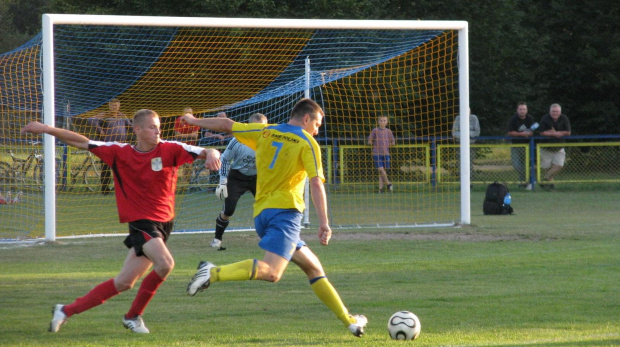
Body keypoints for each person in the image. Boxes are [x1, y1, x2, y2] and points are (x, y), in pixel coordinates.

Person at [21, 109, 221, 334]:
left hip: (164, 224)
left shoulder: (171, 148)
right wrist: (47, 129)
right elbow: (82, 142)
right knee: (165, 264)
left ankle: (65, 310)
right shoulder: (119, 152)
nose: (158, 131)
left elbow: (206, 150)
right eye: (152, 127)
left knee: (124, 283)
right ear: (137, 130)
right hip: (141, 222)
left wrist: (212, 153)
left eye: (158, 127)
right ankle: (133, 317)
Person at [181, 98, 368, 337]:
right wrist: (324, 223)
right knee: (272, 272)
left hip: (262, 214)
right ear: (307, 118)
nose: (317, 130)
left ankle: (349, 321)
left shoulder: (265, 131)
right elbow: (315, 183)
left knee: (313, 268)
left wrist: (195, 120)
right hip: (285, 214)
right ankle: (211, 272)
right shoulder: (307, 142)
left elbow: (227, 125)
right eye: (318, 124)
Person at [210, 113, 268, 250]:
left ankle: (270, 238)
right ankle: (217, 239)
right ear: (248, 127)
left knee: (267, 208)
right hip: (237, 176)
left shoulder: (269, 140)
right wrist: (223, 181)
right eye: (255, 128)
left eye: (262, 128)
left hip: (258, 177)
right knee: (228, 210)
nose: (258, 131)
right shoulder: (238, 140)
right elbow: (224, 159)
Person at [90, 99, 132, 195]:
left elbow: (130, 125)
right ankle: (105, 189)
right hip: (107, 145)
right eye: (113, 106)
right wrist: (100, 130)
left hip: (120, 145)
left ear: (119, 106)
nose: (114, 107)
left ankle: (121, 188)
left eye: (116, 106)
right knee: (105, 167)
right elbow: (91, 119)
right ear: (109, 106)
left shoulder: (122, 115)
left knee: (120, 167)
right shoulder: (104, 115)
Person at [538, 103, 571, 188]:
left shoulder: (564, 118)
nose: (555, 113)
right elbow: (542, 132)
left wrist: (557, 133)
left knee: (559, 164)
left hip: (559, 147)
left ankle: (544, 179)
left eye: (557, 111)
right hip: (546, 148)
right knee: (547, 168)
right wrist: (553, 134)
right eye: (553, 111)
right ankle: (550, 185)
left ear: (560, 112)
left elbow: (568, 132)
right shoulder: (545, 118)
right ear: (550, 111)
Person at [506, 102, 538, 190]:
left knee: (526, 165)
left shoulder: (530, 119)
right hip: (516, 145)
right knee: (516, 165)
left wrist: (529, 133)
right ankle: (529, 180)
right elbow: (510, 132)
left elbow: (533, 130)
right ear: (517, 110)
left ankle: (524, 183)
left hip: (527, 146)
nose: (522, 111)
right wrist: (522, 134)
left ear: (526, 110)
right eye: (520, 109)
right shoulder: (513, 119)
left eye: (524, 109)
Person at [368, 115, 395, 193]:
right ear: (378, 122)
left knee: (382, 172)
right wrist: (370, 141)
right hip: (377, 153)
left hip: (386, 153)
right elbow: (370, 140)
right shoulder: (375, 130)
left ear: (387, 122)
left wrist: (389, 144)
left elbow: (393, 141)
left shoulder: (388, 131)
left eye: (384, 120)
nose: (382, 122)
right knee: (380, 169)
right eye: (381, 120)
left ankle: (380, 190)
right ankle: (389, 184)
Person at [452, 108, 481, 179]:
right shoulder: (458, 118)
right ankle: (461, 179)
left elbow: (477, 132)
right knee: (460, 162)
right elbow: (454, 132)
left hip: (471, 144)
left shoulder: (474, 118)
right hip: (460, 144)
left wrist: (468, 134)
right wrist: (463, 135)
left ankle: (469, 179)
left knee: (469, 162)